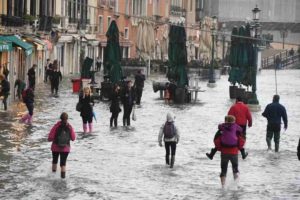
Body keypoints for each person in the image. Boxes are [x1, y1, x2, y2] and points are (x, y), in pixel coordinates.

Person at [213, 115, 245, 188]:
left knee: (223, 170)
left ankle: (223, 186)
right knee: (235, 169)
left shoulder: (223, 126)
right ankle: (236, 186)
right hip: (234, 152)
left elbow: (219, 126)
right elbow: (241, 130)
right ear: (234, 121)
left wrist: (224, 124)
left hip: (224, 151)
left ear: (226, 121)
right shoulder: (235, 126)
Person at [48, 112, 76, 178]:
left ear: (60, 118)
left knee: (54, 161)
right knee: (63, 164)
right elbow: (73, 138)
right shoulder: (69, 127)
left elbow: (50, 138)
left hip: (55, 147)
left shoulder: (56, 126)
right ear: (67, 119)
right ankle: (63, 179)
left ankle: (53, 176)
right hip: (65, 148)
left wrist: (50, 139)